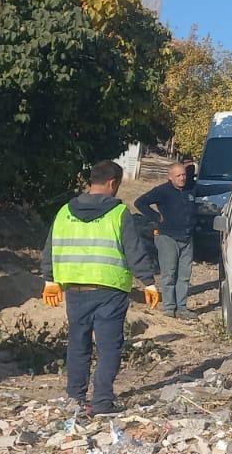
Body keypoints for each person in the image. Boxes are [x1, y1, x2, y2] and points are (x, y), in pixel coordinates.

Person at [40, 160, 160, 417]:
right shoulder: (118, 213)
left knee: (77, 344)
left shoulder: (64, 211)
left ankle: (75, 397)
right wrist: (148, 282)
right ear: (112, 183)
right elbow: (134, 250)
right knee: (108, 347)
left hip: (74, 289)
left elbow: (50, 247)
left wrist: (50, 280)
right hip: (109, 290)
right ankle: (102, 402)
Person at [135, 161, 198, 317]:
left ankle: (182, 308)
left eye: (184, 174)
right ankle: (169, 308)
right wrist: (156, 217)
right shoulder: (162, 191)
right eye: (178, 176)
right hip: (167, 237)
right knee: (169, 274)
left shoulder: (191, 188)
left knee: (184, 275)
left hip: (187, 238)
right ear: (170, 177)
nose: (182, 178)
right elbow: (139, 203)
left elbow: (210, 189)